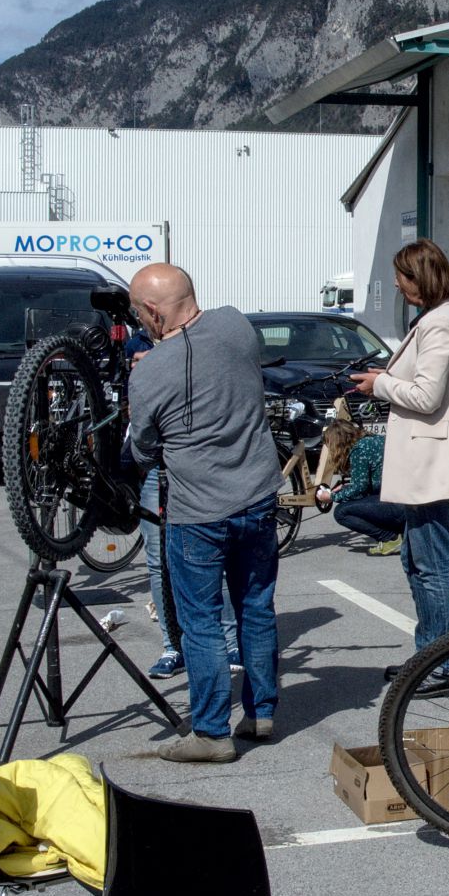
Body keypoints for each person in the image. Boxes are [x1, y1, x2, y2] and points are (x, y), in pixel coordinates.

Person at [126, 263, 284, 763]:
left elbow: (144, 449)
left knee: (201, 623)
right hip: (258, 496)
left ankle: (212, 733)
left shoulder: (149, 371)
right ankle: (261, 713)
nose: (139, 323)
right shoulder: (236, 323)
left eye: (139, 314)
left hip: (198, 514)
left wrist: (150, 375)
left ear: (153, 311)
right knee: (255, 608)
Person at [351, 240, 449, 696]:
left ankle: (444, 663)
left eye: (403, 277)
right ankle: (429, 656)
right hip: (435, 458)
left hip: (438, 461)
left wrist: (381, 384)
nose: (397, 285)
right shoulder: (443, 317)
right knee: (417, 559)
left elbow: (425, 396)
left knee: (432, 564)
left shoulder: (443, 323)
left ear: (422, 277)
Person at [128, 324, 240, 676]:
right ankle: (172, 645)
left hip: (197, 464)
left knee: (209, 557)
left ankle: (230, 643)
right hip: (154, 463)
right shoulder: (138, 345)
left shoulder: (201, 340)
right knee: (157, 560)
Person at [319, 420, 403, 556]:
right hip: (407, 499)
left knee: (341, 512)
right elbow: (371, 479)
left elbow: (360, 489)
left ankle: (390, 538)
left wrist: (331, 497)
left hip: (397, 503)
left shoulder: (359, 449)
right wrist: (346, 487)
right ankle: (399, 532)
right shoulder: (372, 440)